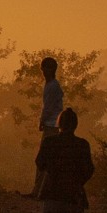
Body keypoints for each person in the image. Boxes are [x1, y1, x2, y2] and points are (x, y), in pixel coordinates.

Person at [26, 56, 64, 197]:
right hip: (54, 125)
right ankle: (41, 191)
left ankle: (38, 192)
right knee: (48, 160)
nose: (43, 71)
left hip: (51, 126)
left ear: (51, 69)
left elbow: (48, 107)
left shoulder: (52, 86)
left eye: (45, 68)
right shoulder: (52, 85)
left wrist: (42, 121)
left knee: (43, 159)